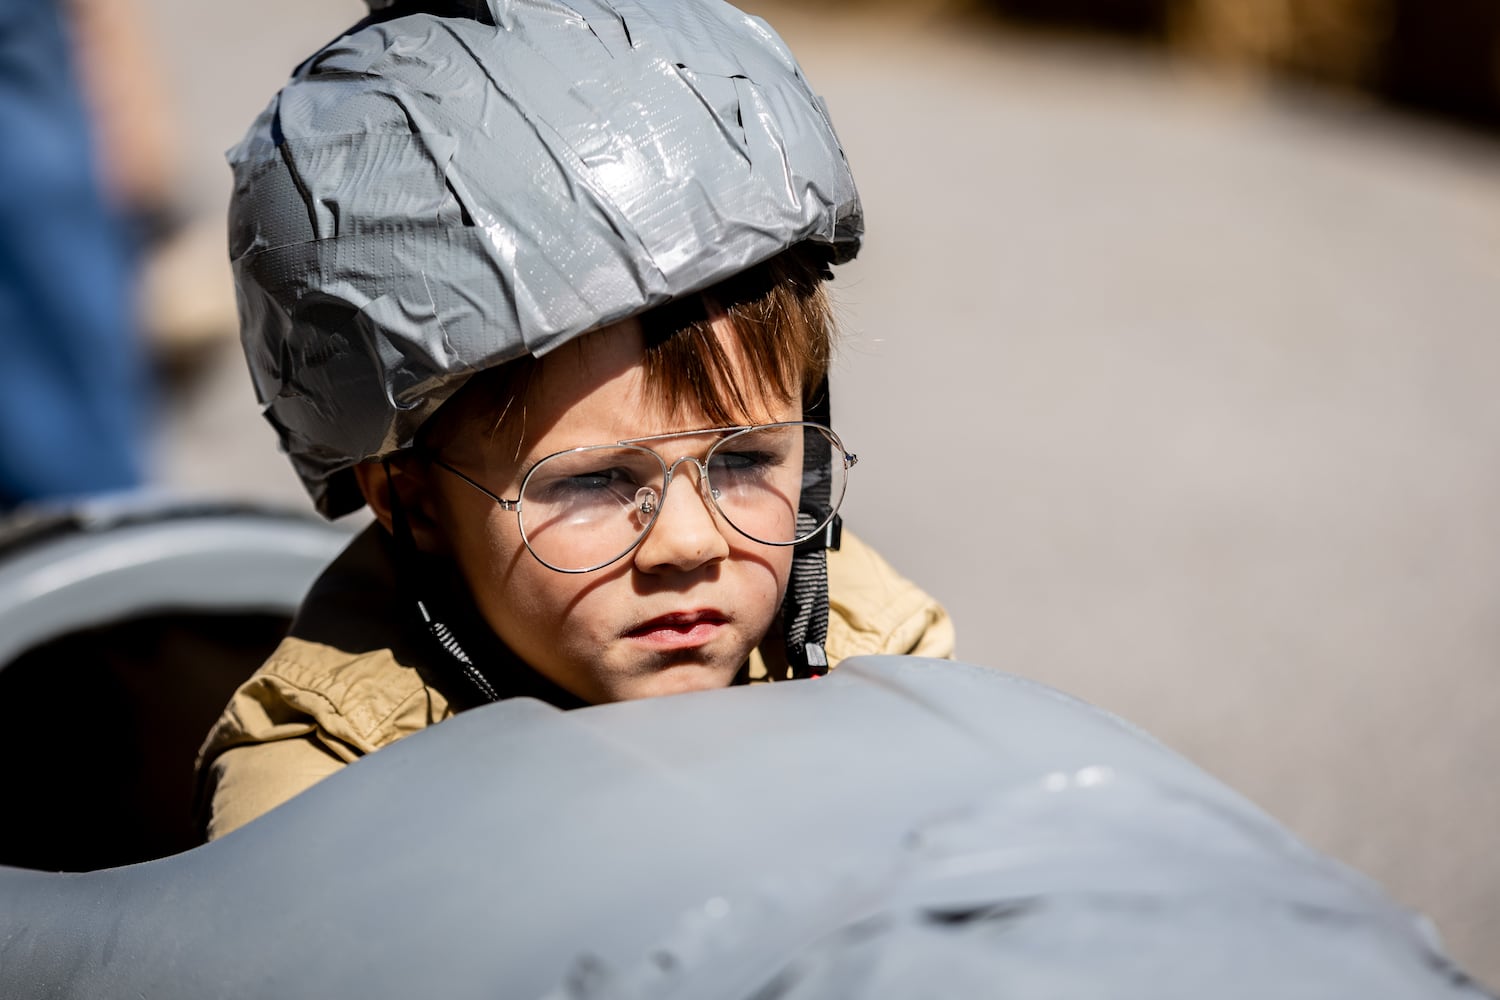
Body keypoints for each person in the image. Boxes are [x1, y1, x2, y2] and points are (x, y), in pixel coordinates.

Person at [196, 0, 954, 840]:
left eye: (744, 462)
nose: (689, 544)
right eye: (595, 481)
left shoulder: (871, 652)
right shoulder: (324, 795)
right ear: (411, 501)